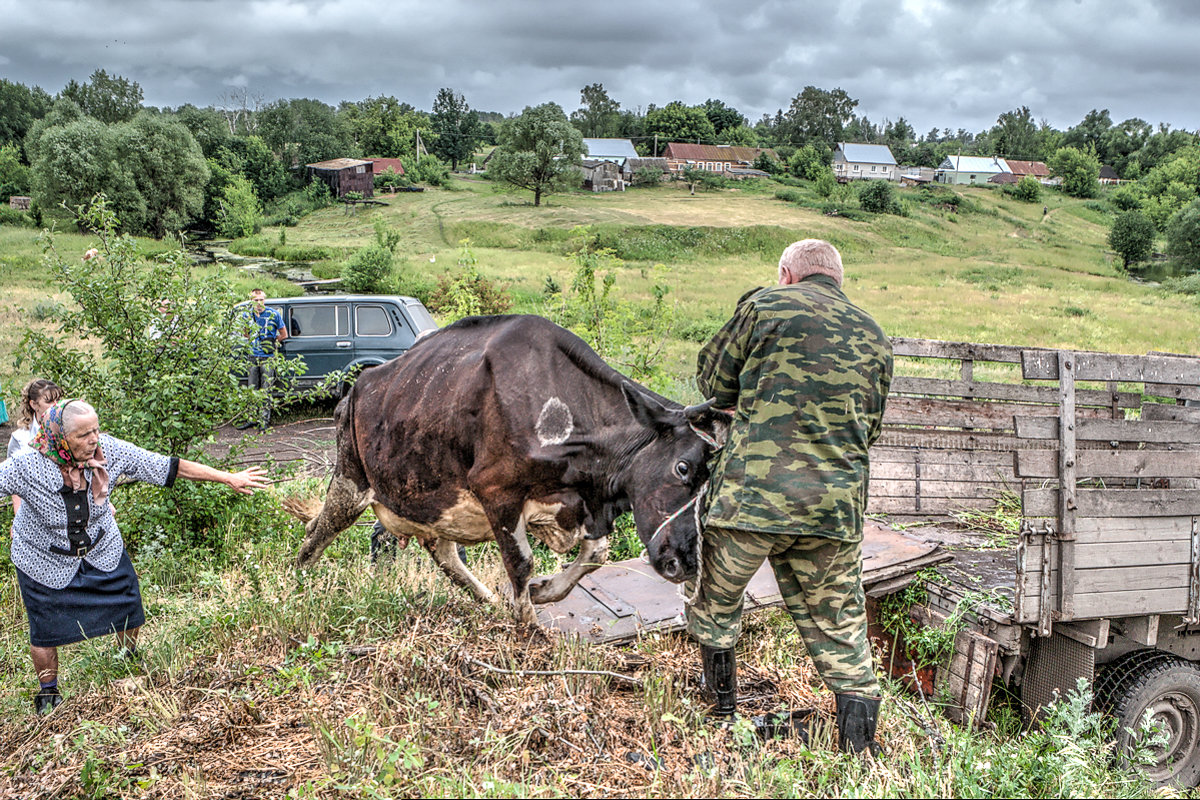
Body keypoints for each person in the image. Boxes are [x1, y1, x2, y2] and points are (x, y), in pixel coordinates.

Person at [687, 239, 893, 755]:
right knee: (843, 629)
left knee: (716, 606)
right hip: (833, 511)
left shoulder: (764, 304)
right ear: (837, 279)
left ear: (787, 273)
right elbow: (869, 428)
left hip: (750, 501)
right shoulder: (875, 335)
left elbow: (714, 382)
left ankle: (721, 721)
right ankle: (858, 755)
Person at [0, 398, 271, 714]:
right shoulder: (27, 465)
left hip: (102, 549)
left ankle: (126, 657)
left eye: (96, 431)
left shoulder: (109, 451)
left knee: (129, 604)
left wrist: (227, 477)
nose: (94, 440)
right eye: (83, 435)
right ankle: (49, 693)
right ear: (61, 437)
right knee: (45, 629)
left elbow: (166, 466)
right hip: (43, 558)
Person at [7, 380, 65, 517]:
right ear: (34, 405)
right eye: (50, 401)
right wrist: (18, 517)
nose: (56, 406)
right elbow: (14, 481)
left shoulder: (69, 430)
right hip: (36, 510)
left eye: (58, 400)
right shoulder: (21, 438)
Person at [240, 288, 288, 430]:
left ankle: (264, 422)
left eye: (261, 299)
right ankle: (251, 419)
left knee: (266, 390)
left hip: (268, 357)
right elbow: (245, 334)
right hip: (253, 355)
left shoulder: (273, 314)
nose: (259, 302)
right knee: (252, 388)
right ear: (251, 301)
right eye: (256, 300)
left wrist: (272, 343)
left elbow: (284, 334)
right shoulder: (246, 315)